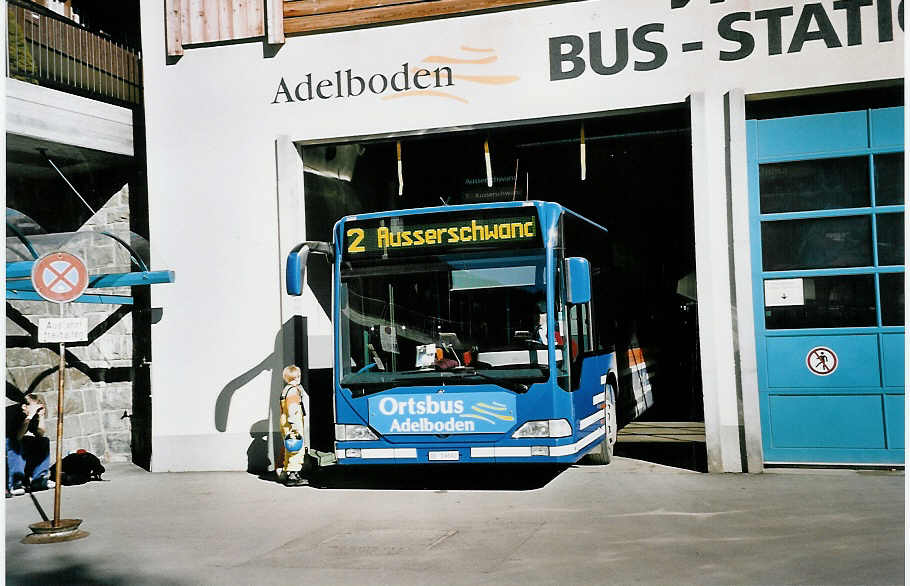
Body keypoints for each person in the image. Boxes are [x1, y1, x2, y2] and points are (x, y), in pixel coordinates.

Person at [6, 394, 52, 497]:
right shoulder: (12, 413)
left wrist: (41, 416)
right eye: (35, 407)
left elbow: (40, 434)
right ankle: (16, 483)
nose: (37, 410)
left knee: (43, 441)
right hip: (9, 440)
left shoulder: (32, 415)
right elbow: (17, 437)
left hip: (15, 439)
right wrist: (29, 417)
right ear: (24, 406)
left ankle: (39, 479)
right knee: (15, 443)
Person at [279, 365, 307, 487]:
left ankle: (285, 472)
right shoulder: (293, 391)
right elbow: (292, 409)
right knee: (297, 448)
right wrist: (294, 425)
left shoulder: (286, 389)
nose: (299, 378)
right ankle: (293, 475)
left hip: (284, 421)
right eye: (297, 376)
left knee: (289, 447)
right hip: (292, 422)